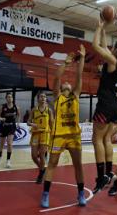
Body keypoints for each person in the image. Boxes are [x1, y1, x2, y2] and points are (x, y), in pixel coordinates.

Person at [40, 44, 87, 207]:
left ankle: (81, 193)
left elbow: (79, 76)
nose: (67, 82)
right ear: (62, 88)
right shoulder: (57, 96)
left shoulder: (75, 95)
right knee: (52, 164)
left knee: (78, 166)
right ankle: (45, 194)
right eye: (65, 83)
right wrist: (66, 63)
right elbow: (57, 78)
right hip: (58, 136)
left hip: (74, 135)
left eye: (69, 83)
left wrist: (82, 58)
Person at [91, 18, 117, 194]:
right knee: (106, 139)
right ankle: (108, 172)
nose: (110, 49)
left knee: (96, 139)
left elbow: (96, 47)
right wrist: (105, 29)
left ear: (116, 50)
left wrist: (99, 28)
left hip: (106, 103)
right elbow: (105, 48)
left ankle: (101, 177)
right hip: (115, 104)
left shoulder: (113, 62)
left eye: (112, 48)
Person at [27, 92, 53, 183]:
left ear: (46, 99)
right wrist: (32, 124)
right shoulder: (34, 110)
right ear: (38, 99)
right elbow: (28, 121)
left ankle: (41, 175)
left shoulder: (49, 110)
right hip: (35, 134)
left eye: (44, 97)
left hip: (45, 134)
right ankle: (42, 169)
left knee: (42, 154)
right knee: (34, 156)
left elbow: (52, 123)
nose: (43, 98)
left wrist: (53, 136)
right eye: (41, 96)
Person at [0, 93, 20, 168]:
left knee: (9, 143)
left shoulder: (16, 107)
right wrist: (1, 118)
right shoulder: (2, 106)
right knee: (1, 144)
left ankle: (8, 161)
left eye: (11, 97)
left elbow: (19, 115)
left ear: (12, 98)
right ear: (6, 98)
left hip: (12, 126)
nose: (10, 98)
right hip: (3, 126)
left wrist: (18, 122)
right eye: (8, 97)